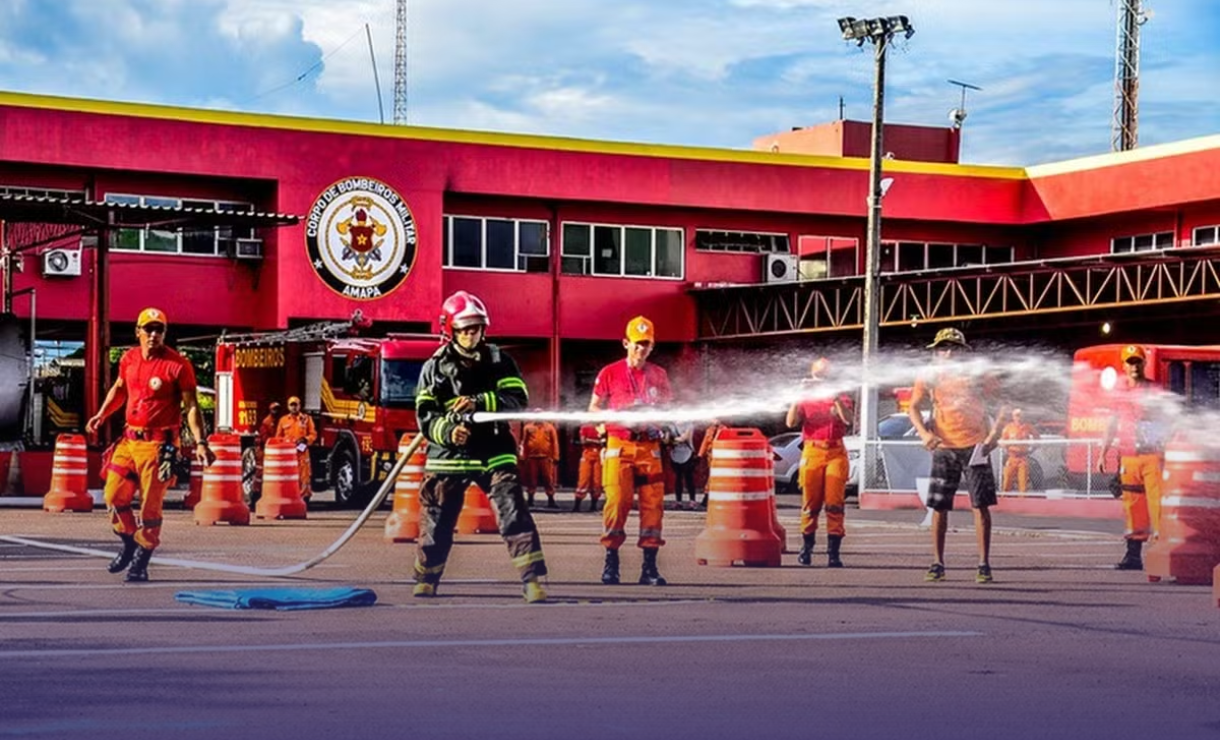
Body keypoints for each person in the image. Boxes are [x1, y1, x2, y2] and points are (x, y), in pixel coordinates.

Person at [412, 290, 548, 603]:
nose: (473, 335)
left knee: (513, 513)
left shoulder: (501, 360)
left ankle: (532, 581)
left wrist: (479, 402)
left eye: (477, 328)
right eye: (465, 329)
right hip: (450, 456)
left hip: (494, 450)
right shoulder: (434, 367)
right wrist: (449, 431)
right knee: (436, 519)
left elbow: (517, 401)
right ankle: (427, 577)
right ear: (450, 330)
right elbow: (425, 415)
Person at [85, 307, 213, 582]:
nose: (154, 334)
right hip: (129, 441)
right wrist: (101, 414)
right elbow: (120, 389)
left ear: (165, 333)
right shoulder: (129, 359)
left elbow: (192, 407)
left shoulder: (178, 365)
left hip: (158, 447)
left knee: (150, 508)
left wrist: (200, 442)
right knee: (113, 495)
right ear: (138, 332)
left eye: (159, 329)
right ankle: (130, 541)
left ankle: (141, 560)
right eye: (148, 329)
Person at [908, 328, 1006, 584]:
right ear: (936, 352)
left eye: (953, 347)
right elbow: (913, 407)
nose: (948, 352)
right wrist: (924, 434)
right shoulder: (929, 377)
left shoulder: (978, 375)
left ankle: (984, 564)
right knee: (939, 507)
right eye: (943, 347)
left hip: (976, 447)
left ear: (964, 351)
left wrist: (994, 435)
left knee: (981, 505)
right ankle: (937, 563)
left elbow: (1004, 402)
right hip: (944, 447)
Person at [588, 315, 673, 586]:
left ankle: (649, 567)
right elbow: (594, 408)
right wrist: (603, 426)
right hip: (619, 445)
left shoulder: (659, 375)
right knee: (617, 503)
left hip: (649, 447)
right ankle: (611, 563)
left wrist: (659, 424)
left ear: (652, 346)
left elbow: (669, 409)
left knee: (653, 506)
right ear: (626, 343)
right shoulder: (609, 372)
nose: (641, 349)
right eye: (637, 344)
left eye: (646, 344)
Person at [1099, 344, 1168, 571]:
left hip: (1152, 456)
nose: (1134, 366)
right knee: (1132, 507)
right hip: (1128, 458)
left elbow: (1167, 421)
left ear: (1144, 363)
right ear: (1124, 365)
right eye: (1129, 362)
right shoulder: (1120, 394)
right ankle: (1133, 556)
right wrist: (1103, 452)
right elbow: (1111, 424)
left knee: (1157, 506)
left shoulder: (1154, 391)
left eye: (1137, 361)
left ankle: (1161, 554)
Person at [785, 357, 852, 567]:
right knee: (810, 503)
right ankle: (807, 547)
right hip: (812, 450)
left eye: (825, 376)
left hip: (835, 451)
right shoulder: (805, 398)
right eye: (817, 376)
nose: (820, 380)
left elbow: (848, 419)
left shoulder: (841, 396)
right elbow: (790, 422)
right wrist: (797, 396)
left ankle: (834, 553)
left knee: (835, 503)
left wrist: (836, 399)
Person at [275, 396, 317, 502]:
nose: (294, 407)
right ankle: (291, 496)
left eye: (296, 405)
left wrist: (306, 440)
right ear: (288, 406)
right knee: (289, 476)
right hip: (288, 454)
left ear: (299, 406)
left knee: (304, 476)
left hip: (302, 453)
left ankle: (305, 497)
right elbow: (278, 438)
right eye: (291, 405)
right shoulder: (283, 420)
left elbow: (313, 434)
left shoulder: (306, 419)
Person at [520, 412, 560, 508]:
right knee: (531, 479)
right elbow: (524, 442)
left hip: (546, 457)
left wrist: (556, 456)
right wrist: (523, 456)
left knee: (548, 479)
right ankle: (530, 499)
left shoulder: (550, 427)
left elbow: (555, 442)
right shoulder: (528, 427)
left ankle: (551, 499)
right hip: (532, 457)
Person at [1000, 408, 1039, 494]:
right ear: (1013, 417)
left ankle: (1022, 503)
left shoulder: (1028, 427)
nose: (1019, 418)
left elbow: (1037, 438)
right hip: (1012, 458)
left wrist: (1032, 449)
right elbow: (1002, 442)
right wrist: (1010, 444)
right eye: (1017, 415)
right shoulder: (1008, 428)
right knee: (1006, 482)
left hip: (1023, 459)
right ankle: (1005, 501)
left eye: (1021, 415)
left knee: (1023, 484)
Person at [573, 424, 605, 512]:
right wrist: (597, 441)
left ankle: (593, 505)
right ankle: (577, 504)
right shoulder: (585, 427)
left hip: (599, 456)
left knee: (597, 481)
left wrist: (592, 441)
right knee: (583, 479)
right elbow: (583, 441)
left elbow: (605, 441)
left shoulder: (603, 428)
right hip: (587, 455)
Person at [696, 419, 725, 509]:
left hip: (720, 457)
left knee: (714, 477)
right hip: (711, 457)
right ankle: (708, 497)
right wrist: (699, 455)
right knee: (712, 476)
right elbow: (705, 443)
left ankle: (708, 497)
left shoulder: (724, 430)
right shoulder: (709, 430)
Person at [669, 421, 698, 510]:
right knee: (678, 478)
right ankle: (678, 501)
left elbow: (685, 438)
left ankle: (692, 501)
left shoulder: (689, 424)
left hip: (687, 453)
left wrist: (672, 440)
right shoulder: (671, 425)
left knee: (689, 478)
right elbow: (666, 438)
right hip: (675, 454)